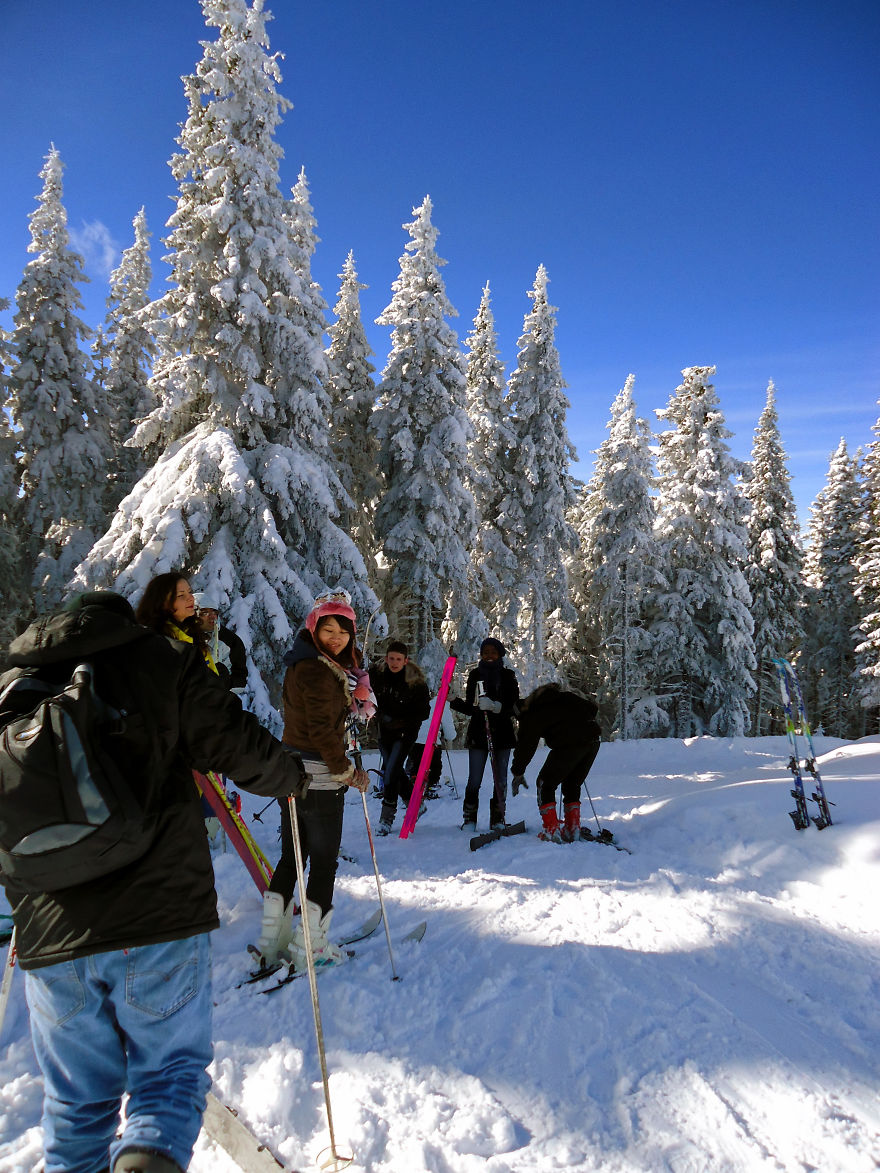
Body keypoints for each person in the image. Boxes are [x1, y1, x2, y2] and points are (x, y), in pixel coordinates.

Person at [0, 591, 307, 1173]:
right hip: (157, 913)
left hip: (49, 933)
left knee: (73, 1107)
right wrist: (291, 775)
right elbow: (234, 743)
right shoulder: (158, 658)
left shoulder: (14, 685)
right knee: (166, 1082)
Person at [255, 593, 371, 972]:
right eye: (328, 628)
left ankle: (272, 943)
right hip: (320, 776)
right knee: (323, 864)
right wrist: (347, 772)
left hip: (293, 771)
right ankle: (313, 947)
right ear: (314, 628)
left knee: (292, 858)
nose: (336, 637)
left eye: (343, 631)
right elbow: (322, 731)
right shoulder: (320, 671)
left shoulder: (303, 663)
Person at [510, 683, 602, 842]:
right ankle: (572, 830)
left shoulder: (531, 714)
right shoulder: (564, 696)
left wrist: (518, 771)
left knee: (544, 783)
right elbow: (592, 708)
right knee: (572, 784)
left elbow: (526, 746)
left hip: (569, 745)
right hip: (592, 741)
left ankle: (551, 831)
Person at [449, 638, 519, 832]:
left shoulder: (508, 676)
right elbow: (471, 708)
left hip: (503, 735)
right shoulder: (475, 675)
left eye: (493, 652)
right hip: (479, 734)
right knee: (474, 779)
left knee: (501, 779)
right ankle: (469, 818)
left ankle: (498, 817)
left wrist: (497, 707)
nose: (489, 655)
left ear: (500, 655)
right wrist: (454, 700)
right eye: (485, 652)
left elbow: (515, 706)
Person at [369, 640, 430, 835]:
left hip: (405, 733)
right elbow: (368, 697)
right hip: (384, 731)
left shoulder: (416, 681)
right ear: (386, 659)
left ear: (405, 661)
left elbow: (424, 711)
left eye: (398, 659)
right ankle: (416, 804)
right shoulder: (377, 676)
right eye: (391, 658)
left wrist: (402, 721)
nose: (394, 662)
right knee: (394, 771)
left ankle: (386, 818)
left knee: (390, 772)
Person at [193, 590, 248, 694]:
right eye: (205, 613)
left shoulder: (229, 641)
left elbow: (240, 679)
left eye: (215, 612)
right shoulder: (178, 637)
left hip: (216, 703)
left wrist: (227, 682)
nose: (212, 616)